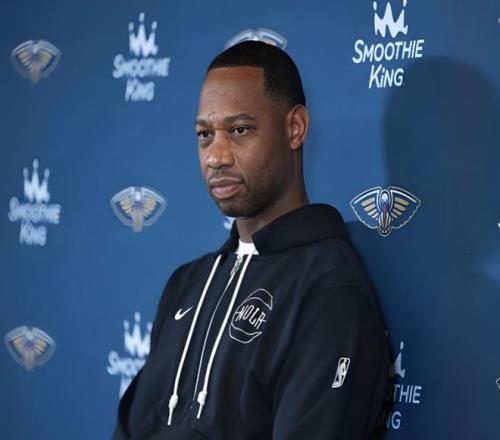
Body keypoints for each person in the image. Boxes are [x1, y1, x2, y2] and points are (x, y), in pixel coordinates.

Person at [113, 40, 389, 440]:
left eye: (239, 130)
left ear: (295, 128)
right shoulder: (186, 285)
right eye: (205, 135)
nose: (216, 156)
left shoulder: (328, 289)